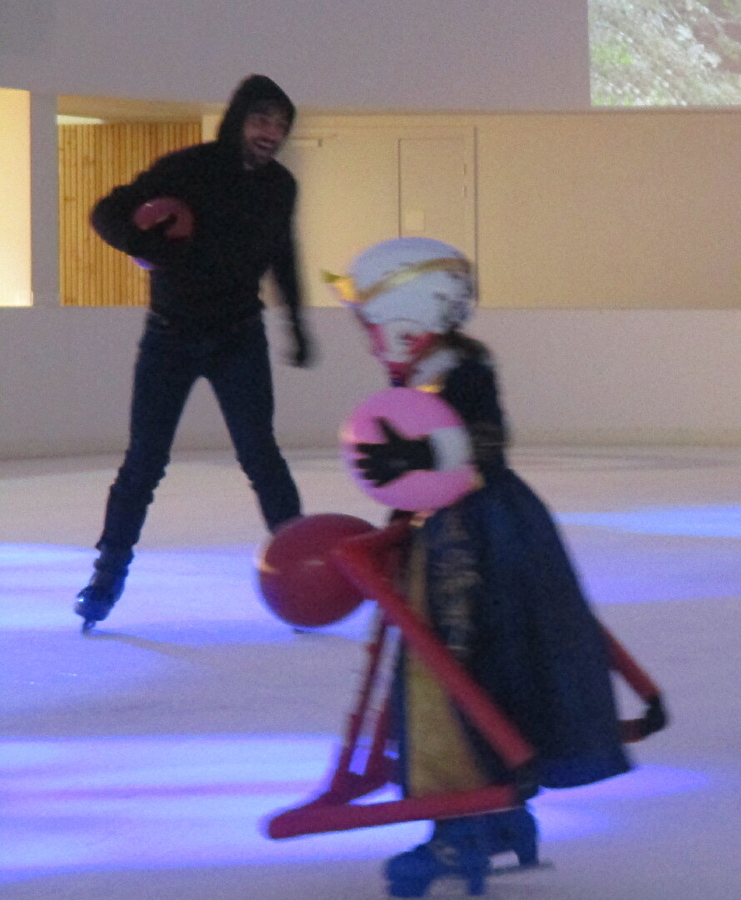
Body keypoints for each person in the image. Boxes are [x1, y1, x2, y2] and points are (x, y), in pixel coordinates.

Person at [331, 237, 634, 896]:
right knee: (492, 666)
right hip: (486, 529)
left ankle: (456, 831)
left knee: (446, 677)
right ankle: (499, 814)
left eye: (365, 314)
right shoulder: (443, 363)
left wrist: (424, 459)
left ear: (406, 309)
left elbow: (483, 447)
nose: (362, 331)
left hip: (467, 541)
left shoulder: (455, 370)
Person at [73, 74, 315, 632]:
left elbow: (284, 254)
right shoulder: (188, 167)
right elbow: (107, 212)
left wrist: (296, 323)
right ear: (237, 119)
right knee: (143, 464)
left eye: (280, 124)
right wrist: (147, 245)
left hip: (238, 336)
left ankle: (302, 570)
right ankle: (106, 577)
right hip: (171, 338)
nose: (271, 132)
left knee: (262, 457)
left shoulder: (280, 187)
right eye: (261, 119)